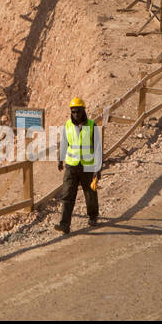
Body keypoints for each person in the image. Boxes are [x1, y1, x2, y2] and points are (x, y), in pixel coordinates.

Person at [55, 97, 101, 234]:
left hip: (88, 166)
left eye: (78, 111)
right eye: (73, 111)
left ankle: (93, 216)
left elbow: (98, 148)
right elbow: (64, 144)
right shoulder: (67, 125)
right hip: (71, 166)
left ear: (83, 110)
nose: (76, 114)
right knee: (67, 194)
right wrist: (60, 160)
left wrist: (98, 169)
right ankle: (64, 225)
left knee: (90, 193)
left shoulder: (92, 125)